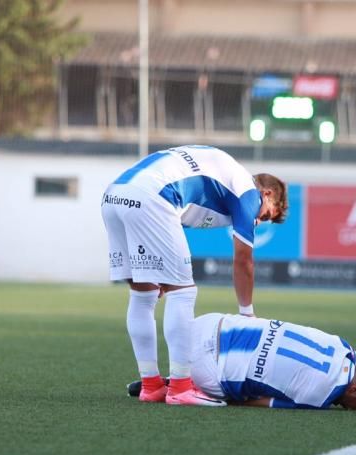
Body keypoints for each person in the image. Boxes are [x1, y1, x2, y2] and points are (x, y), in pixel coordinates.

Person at [102, 145, 288, 406]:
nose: (259, 220)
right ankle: (179, 387)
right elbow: (244, 260)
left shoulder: (226, 179)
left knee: (144, 294)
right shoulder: (249, 192)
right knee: (184, 292)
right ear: (266, 194)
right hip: (153, 196)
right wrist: (247, 314)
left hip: (115, 194)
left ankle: (152, 385)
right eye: (266, 214)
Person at [127, 313, 356, 413]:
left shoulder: (343, 346)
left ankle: (170, 379)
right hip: (205, 366)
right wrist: (223, 401)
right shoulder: (319, 397)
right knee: (237, 395)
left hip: (208, 322)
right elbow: (258, 402)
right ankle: (178, 387)